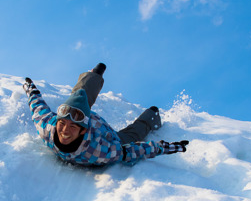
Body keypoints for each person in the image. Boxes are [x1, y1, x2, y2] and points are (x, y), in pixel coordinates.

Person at [22, 63, 189, 168]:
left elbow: (133, 151)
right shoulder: (47, 126)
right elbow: (38, 107)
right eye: (62, 123)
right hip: (84, 115)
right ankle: (94, 75)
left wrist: (163, 147)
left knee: (130, 135)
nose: (65, 130)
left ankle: (151, 116)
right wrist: (31, 89)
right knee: (79, 97)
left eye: (73, 127)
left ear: (82, 131)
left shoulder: (100, 150)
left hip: (108, 135)